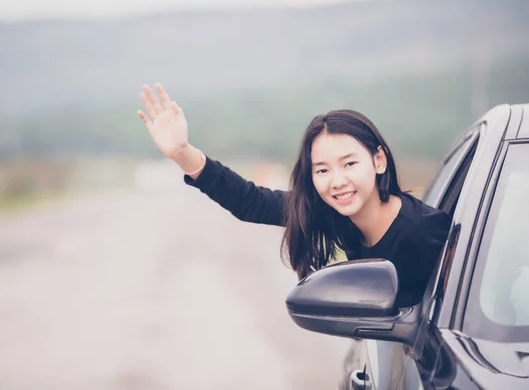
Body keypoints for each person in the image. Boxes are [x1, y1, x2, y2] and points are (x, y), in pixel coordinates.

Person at [137, 83, 452, 308]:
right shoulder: (333, 214)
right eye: (322, 170)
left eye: (350, 163)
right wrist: (182, 153)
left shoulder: (423, 234)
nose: (337, 181)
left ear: (378, 160)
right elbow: (251, 201)